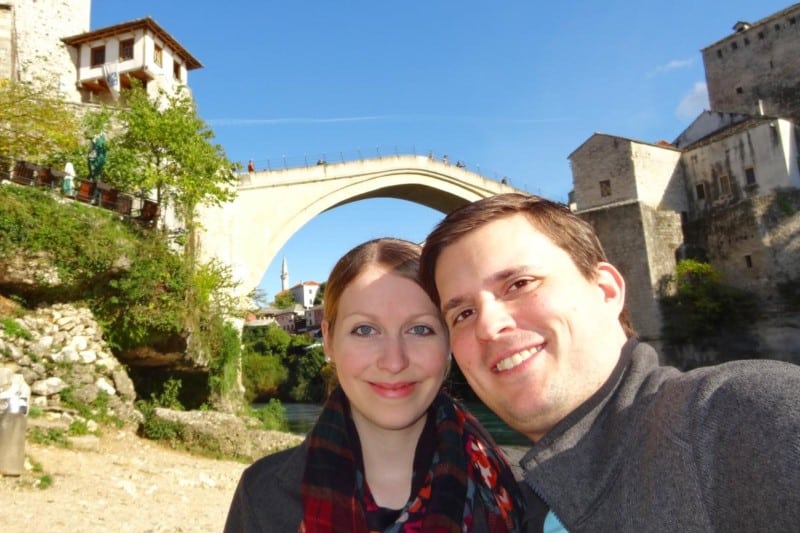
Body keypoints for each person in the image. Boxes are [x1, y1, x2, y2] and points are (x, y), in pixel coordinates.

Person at [419, 192, 800, 532]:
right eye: (463, 314)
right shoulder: (503, 506)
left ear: (606, 291)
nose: (488, 325)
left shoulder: (741, 417)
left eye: (520, 284)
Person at [224, 238, 524, 532]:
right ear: (328, 339)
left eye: (420, 329)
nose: (394, 361)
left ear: (448, 342)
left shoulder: (520, 488)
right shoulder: (262, 496)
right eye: (365, 330)